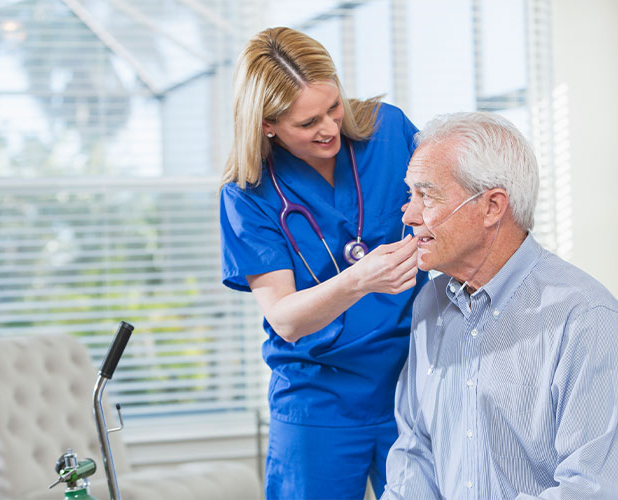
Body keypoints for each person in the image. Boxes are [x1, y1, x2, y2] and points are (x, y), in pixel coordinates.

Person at [219, 27, 428, 500]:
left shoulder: (389, 131)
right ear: (267, 125)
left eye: (333, 107)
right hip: (318, 400)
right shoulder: (247, 194)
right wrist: (358, 280)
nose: (330, 128)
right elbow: (286, 319)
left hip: (414, 383)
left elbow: (447, 211)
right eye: (307, 122)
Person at [382, 111, 618, 499]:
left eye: (426, 195)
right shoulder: (430, 302)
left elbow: (590, 489)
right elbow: (415, 451)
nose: (408, 214)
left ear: (492, 206)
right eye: (411, 195)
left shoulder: (585, 319)